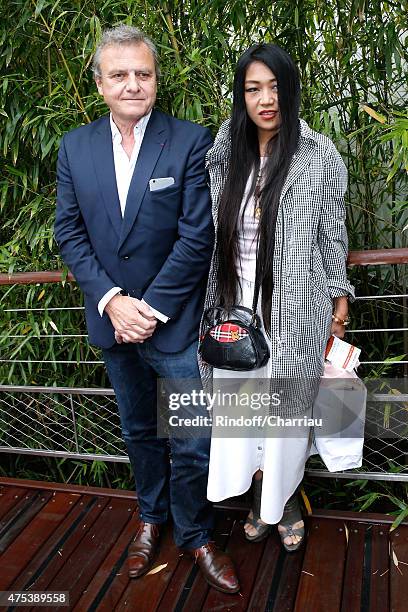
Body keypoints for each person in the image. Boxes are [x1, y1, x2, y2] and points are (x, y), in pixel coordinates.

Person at [55, 25, 239, 593]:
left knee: (191, 435)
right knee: (138, 430)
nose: (133, 83)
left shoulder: (189, 140)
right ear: (99, 82)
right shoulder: (74, 147)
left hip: (174, 326)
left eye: (143, 73)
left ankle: (195, 532)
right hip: (113, 324)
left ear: (156, 79)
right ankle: (152, 518)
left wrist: (150, 308)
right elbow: (69, 232)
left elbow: (196, 236)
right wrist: (112, 302)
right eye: (120, 74)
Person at [200, 43, 355, 551]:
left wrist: (339, 295)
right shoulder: (226, 148)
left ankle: (284, 498)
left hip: (294, 306)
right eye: (253, 88)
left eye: (274, 86)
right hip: (233, 304)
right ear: (241, 96)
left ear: (290, 89)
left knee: (286, 414)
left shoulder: (317, 153)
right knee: (242, 412)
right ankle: (258, 495)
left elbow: (333, 233)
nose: (265, 99)